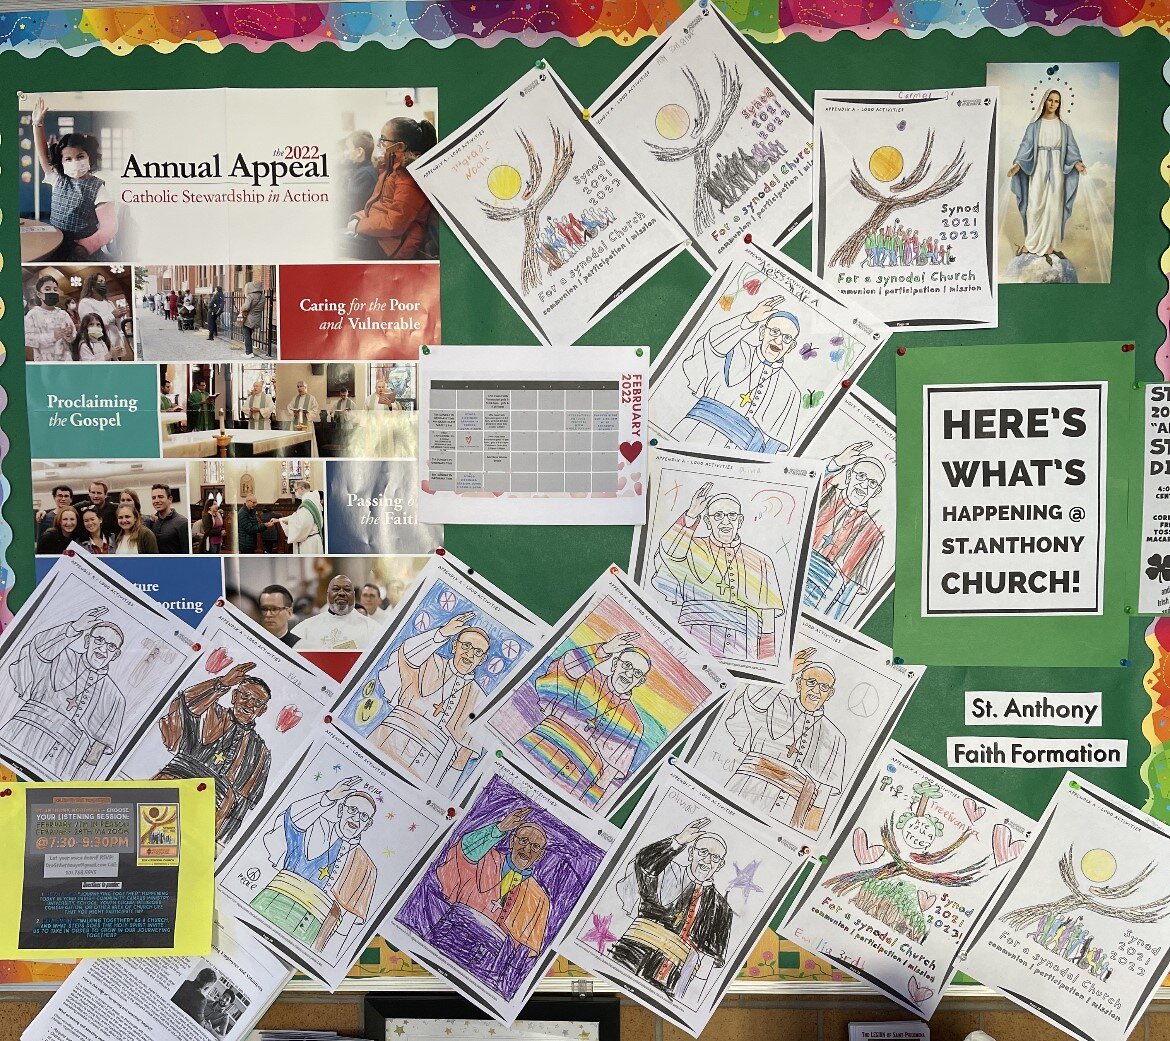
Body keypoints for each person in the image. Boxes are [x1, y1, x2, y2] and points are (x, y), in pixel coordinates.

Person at [653, 483, 784, 663]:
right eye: (718, 516)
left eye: (731, 516)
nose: (725, 522)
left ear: (740, 520)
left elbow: (767, 613)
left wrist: (767, 657)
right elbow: (668, 551)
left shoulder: (761, 560)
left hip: (742, 642)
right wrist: (691, 515)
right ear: (707, 521)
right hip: (695, 633)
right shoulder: (691, 546)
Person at [519, 632, 649, 806]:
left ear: (640, 681)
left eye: (637, 673)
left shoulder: (634, 724)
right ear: (615, 663)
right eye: (626, 665)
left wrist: (588, 801)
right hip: (536, 749)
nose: (629, 674)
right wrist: (603, 650)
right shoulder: (586, 676)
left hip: (573, 784)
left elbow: (609, 773)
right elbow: (565, 666)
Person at [610, 818, 734, 1000]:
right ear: (691, 853)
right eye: (703, 852)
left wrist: (689, 996)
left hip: (672, 977)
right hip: (631, 955)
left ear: (720, 864)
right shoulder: (666, 871)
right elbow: (643, 863)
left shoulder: (722, 909)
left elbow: (709, 959)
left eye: (714, 857)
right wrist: (678, 841)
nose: (707, 860)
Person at [252, 776, 377, 953]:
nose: (356, 817)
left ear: (368, 824)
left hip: (312, 927)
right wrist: (328, 798)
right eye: (352, 809)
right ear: (341, 809)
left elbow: (348, 920)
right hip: (275, 902)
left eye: (363, 816)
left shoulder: (365, 865)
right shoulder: (317, 825)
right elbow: (293, 817)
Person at [724, 649, 845, 831]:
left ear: (830, 693)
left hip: (789, 808)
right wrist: (786, 671)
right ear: (798, 685)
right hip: (749, 787)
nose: (816, 691)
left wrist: (807, 831)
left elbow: (823, 792)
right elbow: (752, 697)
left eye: (824, 687)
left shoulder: (835, 737)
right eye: (811, 682)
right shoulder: (774, 701)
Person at [154, 659, 271, 843]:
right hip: (174, 787)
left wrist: (220, 841)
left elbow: (247, 801)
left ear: (262, 711)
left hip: (209, 815)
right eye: (245, 696)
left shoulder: (261, 751)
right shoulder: (211, 712)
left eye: (256, 702)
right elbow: (184, 703)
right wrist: (223, 683)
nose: (249, 704)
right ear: (234, 697)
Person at [0, 606, 126, 778]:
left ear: (116, 654)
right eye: (99, 641)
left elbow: (95, 754)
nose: (102, 649)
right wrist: (74, 628)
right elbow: (36, 649)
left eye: (111, 646)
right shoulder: (61, 655)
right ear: (87, 640)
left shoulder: (115, 697)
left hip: (61, 760)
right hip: (21, 735)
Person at [368, 610, 489, 788]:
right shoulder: (430, 661)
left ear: (482, 659)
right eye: (466, 646)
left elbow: (465, 751)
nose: (470, 655)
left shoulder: (479, 697)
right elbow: (406, 653)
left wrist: (443, 790)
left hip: (430, 764)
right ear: (455, 646)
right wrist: (441, 634)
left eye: (477, 652)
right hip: (392, 738)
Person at [669, 297, 803, 455]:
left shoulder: (791, 391)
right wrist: (749, 319)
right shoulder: (735, 348)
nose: (778, 340)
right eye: (774, 331)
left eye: (787, 338)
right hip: (697, 431)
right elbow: (712, 341)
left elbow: (773, 445)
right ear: (762, 332)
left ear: (791, 346)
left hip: (742, 456)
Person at [432, 805, 551, 958]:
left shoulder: (540, 898)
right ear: (512, 842)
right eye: (523, 840)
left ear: (540, 855)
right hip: (450, 935)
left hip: (487, 962)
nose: (526, 849)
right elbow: (465, 848)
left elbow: (527, 951)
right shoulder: (486, 857)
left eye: (535, 846)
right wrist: (500, 828)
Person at [802, 447, 886, 620]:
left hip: (820, 596)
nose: (864, 485)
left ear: (876, 492)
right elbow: (804, 479)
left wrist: (830, 622)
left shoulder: (874, 535)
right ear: (849, 476)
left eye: (872, 483)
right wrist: (837, 462)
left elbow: (850, 592)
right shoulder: (825, 494)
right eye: (861, 476)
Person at [31, 98, 117, 261]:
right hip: (55, 244)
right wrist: (37, 125)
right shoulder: (58, 179)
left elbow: (109, 227)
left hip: (82, 249)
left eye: (80, 156)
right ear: (60, 162)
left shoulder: (97, 187)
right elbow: (43, 155)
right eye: (68, 159)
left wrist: (88, 245)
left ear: (89, 157)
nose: (75, 162)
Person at [1008, 89, 1087, 264]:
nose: (1053, 104)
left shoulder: (1064, 128)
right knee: (1034, 205)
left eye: (1056, 101)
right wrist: (1017, 164)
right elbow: (1025, 146)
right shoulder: (1034, 127)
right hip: (1038, 168)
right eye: (1050, 100)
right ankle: (1031, 243)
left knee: (1053, 206)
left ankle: (1050, 245)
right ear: (1044, 101)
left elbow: (1072, 150)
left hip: (1058, 170)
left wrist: (1077, 163)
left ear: (1060, 104)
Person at [346, 117, 438, 260]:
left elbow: (395, 223)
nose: (380, 144)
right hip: (383, 239)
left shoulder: (408, 177)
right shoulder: (391, 169)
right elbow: (378, 208)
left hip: (392, 247)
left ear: (399, 146)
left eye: (383, 139)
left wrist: (359, 225)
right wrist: (358, 219)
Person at [290, 574, 378, 650]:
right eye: (336, 589)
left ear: (354, 595)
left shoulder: (371, 627)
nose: (341, 593)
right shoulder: (306, 628)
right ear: (328, 594)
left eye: (347, 590)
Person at [24, 275, 77, 361]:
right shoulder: (33, 314)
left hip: (65, 358)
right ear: (39, 294)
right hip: (44, 360)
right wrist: (52, 336)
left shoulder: (63, 314)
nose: (52, 292)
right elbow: (28, 339)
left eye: (55, 289)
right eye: (47, 289)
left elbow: (73, 335)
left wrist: (69, 334)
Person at [77, 271, 129, 357]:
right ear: (92, 285)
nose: (103, 284)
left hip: (116, 341)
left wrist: (119, 316)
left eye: (104, 282)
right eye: (100, 281)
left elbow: (118, 326)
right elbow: (89, 326)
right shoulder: (85, 302)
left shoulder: (108, 302)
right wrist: (112, 315)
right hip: (100, 343)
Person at [271, 479, 324, 554]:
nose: (295, 493)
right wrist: (280, 520)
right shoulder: (313, 500)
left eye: (295, 489)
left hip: (308, 544)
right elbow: (297, 516)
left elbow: (302, 525)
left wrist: (288, 522)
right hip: (312, 540)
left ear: (302, 488)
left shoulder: (307, 504)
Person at [341, 130, 378, 217]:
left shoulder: (364, 174)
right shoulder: (363, 170)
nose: (347, 152)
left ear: (359, 152)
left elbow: (350, 205)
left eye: (348, 148)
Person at [148, 483, 191, 553]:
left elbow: (186, 552)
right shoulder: (152, 521)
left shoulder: (182, 523)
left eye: (160, 497)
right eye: (153, 498)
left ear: (170, 499)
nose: (156, 501)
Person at [238, 280, 264, 357]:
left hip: (249, 318)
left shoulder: (250, 296)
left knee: (247, 336)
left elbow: (246, 307)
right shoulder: (263, 296)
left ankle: (249, 353)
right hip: (257, 318)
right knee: (249, 335)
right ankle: (250, 352)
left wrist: (241, 308)